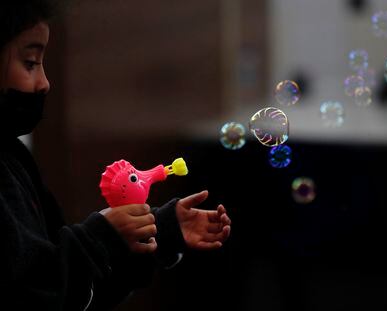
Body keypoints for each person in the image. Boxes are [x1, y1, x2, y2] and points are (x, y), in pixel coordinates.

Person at [0, 0, 231, 310]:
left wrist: (159, 232)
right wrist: (100, 237)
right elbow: (39, 293)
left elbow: (81, 290)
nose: (45, 82)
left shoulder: (13, 158)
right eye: (30, 62)